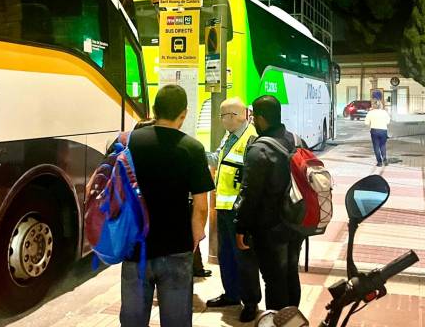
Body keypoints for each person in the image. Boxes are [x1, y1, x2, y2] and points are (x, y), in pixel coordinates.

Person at [120, 85, 214, 327]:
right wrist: (194, 238)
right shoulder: (192, 148)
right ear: (183, 114)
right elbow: (201, 206)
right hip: (176, 246)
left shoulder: (130, 142)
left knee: (132, 319)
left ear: (154, 110)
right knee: (176, 320)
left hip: (135, 245)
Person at [234, 95, 306, 311]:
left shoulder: (259, 149)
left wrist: (241, 227)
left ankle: (278, 322)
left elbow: (250, 194)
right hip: (296, 222)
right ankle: (293, 322)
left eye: (254, 117)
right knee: (291, 274)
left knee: (275, 280)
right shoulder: (296, 139)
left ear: (262, 118)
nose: (253, 121)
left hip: (270, 229)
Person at [205, 98, 262, 322]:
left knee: (245, 258)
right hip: (223, 207)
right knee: (226, 254)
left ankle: (251, 302)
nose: (221, 120)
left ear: (234, 117)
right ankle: (231, 294)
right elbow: (217, 160)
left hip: (240, 210)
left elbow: (252, 180)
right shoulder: (229, 137)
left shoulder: (251, 140)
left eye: (223, 115)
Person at [364, 100, 391, 166]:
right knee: (383, 145)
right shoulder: (384, 112)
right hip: (383, 131)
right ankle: (384, 159)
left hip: (374, 131)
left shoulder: (370, 113)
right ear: (381, 105)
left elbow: (366, 123)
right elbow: (388, 122)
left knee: (376, 146)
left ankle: (379, 162)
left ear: (373, 105)